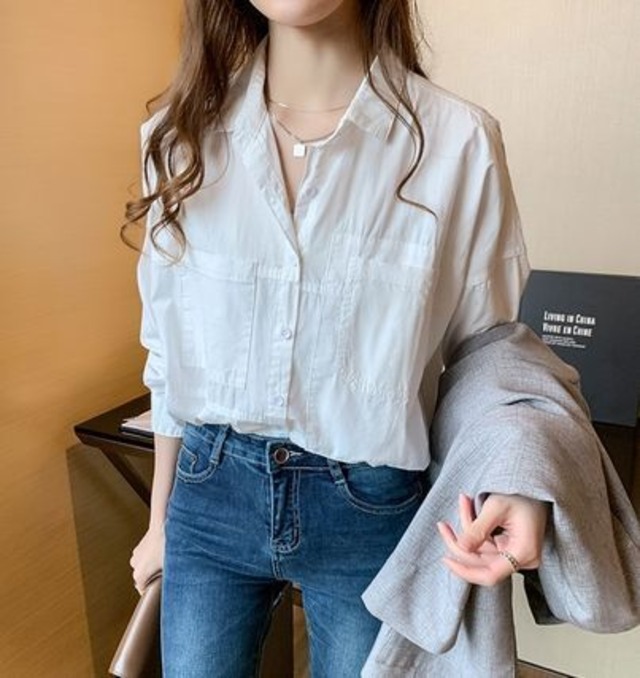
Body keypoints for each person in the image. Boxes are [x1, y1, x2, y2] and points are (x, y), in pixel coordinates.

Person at [126, 1, 549, 676]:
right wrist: (159, 522)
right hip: (209, 496)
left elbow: (488, 357)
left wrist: (516, 476)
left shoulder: (457, 143)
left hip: (370, 506)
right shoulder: (180, 139)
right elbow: (168, 357)